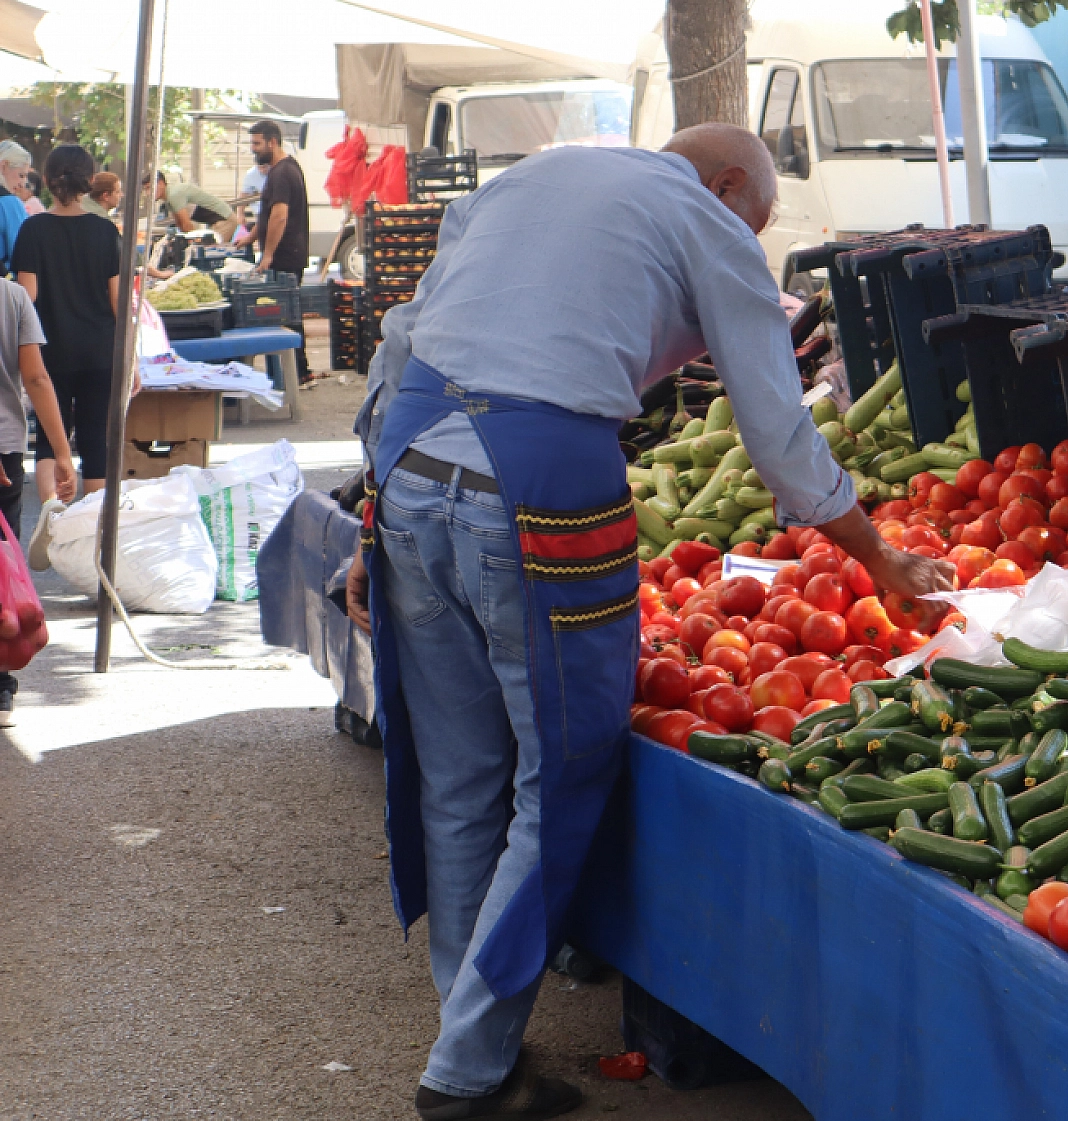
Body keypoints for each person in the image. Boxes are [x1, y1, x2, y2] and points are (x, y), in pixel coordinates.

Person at [343, 124, 953, 1120]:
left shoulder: (528, 172)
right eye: (753, 224)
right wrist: (876, 550)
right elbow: (780, 435)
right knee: (561, 774)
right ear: (725, 186)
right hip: (539, 486)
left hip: (410, 462)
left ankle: (474, 1037)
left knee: (459, 783)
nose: (747, 247)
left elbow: (402, 336)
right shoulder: (702, 218)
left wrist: (368, 519)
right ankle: (463, 1069)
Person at [12, 145, 126, 515]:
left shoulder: (32, 229)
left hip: (50, 351)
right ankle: (94, 530)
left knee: (49, 439)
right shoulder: (105, 231)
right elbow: (118, 302)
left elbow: (26, 297)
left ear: (44, 181)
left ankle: (51, 511)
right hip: (100, 350)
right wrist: (132, 357)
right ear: (91, 183)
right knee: (96, 440)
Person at [0, 273, 75, 725]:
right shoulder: (13, 297)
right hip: (6, 447)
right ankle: (2, 688)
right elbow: (36, 377)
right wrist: (62, 451)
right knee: (1, 568)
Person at [248, 120, 311, 377]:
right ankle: (298, 371)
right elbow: (267, 213)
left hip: (286, 256)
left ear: (272, 142)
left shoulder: (283, 172)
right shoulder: (280, 169)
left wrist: (268, 254)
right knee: (288, 315)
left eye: (257, 144)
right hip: (286, 254)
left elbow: (279, 215)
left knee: (288, 317)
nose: (254, 149)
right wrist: (251, 236)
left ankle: (298, 372)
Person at [154, 170, 236, 241]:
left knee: (208, 252)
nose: (147, 194)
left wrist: (193, 242)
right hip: (216, 221)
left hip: (224, 220)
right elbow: (180, 224)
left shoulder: (174, 195)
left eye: (149, 188)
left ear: (161, 183)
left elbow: (186, 224)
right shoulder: (169, 198)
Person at [0, 141, 34, 271]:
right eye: (21, 175)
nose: (23, 183)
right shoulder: (9, 203)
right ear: (4, 166)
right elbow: (23, 254)